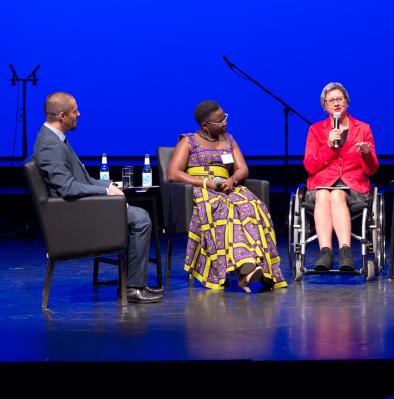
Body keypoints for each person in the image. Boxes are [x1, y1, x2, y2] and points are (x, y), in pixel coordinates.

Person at [32, 92, 163, 304]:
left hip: (81, 208)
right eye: (75, 111)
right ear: (62, 116)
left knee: (135, 214)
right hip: (74, 215)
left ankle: (131, 283)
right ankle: (133, 287)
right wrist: (105, 194)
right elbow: (66, 188)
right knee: (140, 218)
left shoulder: (55, 139)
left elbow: (80, 178)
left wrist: (108, 185)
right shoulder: (49, 145)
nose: (79, 114)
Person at [167, 100, 286, 291]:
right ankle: (245, 267)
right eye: (219, 121)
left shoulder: (228, 139)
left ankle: (261, 269)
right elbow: (173, 173)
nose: (224, 123)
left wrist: (232, 181)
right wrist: (205, 183)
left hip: (227, 187)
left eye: (224, 117)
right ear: (205, 125)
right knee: (224, 210)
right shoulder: (188, 141)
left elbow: (242, 168)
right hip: (202, 190)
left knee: (251, 207)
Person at [303, 82, 379, 271]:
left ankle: (345, 252)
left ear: (347, 101)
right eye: (331, 101)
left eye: (339, 99)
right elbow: (310, 166)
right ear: (325, 106)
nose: (336, 103)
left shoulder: (363, 129)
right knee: (323, 194)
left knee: (336, 194)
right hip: (321, 185)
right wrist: (328, 145)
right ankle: (325, 252)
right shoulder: (316, 130)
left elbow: (371, 170)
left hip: (353, 188)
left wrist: (367, 154)